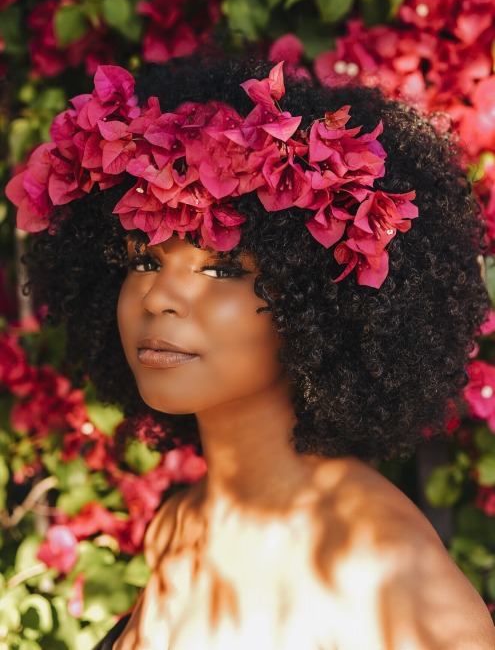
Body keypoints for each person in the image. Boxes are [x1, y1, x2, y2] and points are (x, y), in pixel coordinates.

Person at [7, 52, 495, 650]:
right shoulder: (176, 526)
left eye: (222, 269)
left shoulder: (388, 580)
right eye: (142, 259)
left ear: (318, 297)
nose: (159, 296)